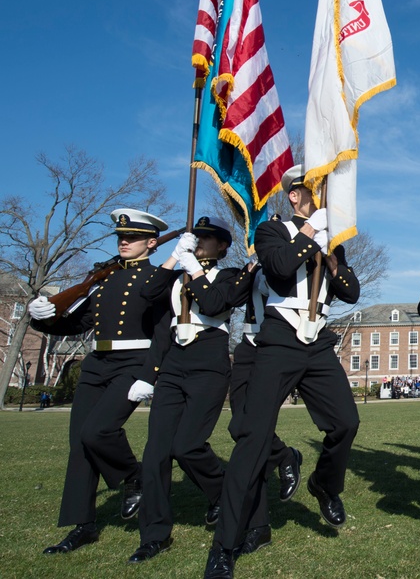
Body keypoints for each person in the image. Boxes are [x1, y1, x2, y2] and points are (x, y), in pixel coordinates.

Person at [204, 166, 361, 579]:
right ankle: (225, 545)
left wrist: (330, 255)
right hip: (280, 338)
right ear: (294, 196)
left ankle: (325, 485)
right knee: (253, 439)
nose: (323, 194)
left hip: (319, 339)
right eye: (314, 189)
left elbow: (351, 290)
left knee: (346, 422)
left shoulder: (332, 239)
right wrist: (309, 234)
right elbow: (276, 267)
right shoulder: (272, 230)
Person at [28, 209, 170, 555]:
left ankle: (132, 475)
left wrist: (149, 374)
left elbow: (162, 330)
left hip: (133, 361)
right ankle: (83, 525)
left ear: (151, 243)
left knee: (98, 432)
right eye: (121, 237)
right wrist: (43, 320)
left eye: (133, 237)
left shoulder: (159, 278)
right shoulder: (103, 279)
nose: (124, 241)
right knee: (80, 443)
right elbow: (80, 322)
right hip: (96, 363)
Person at [127, 216, 241, 563]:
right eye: (197, 237)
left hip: (209, 360)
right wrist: (176, 257)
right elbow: (146, 295)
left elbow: (214, 305)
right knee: (156, 453)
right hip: (174, 361)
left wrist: (194, 268)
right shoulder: (177, 277)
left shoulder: (230, 276)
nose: (201, 242)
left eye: (207, 238)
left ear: (222, 245)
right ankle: (155, 533)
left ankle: (223, 493)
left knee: (188, 445)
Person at [222, 251, 302, 559]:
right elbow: (229, 299)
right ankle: (284, 455)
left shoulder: (290, 266)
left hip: (279, 347)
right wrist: (252, 265)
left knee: (251, 437)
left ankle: (257, 526)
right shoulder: (247, 270)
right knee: (239, 427)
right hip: (248, 347)